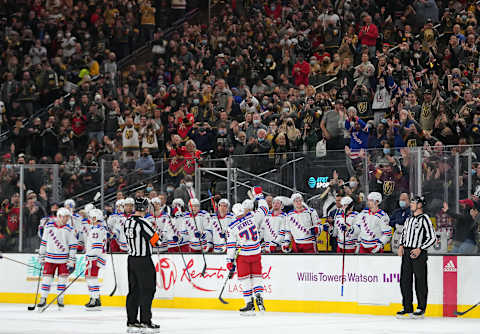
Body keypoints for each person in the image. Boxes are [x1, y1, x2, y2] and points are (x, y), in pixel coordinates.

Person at [226, 190, 268, 315]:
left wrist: (229, 260)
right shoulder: (253, 216)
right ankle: (259, 297)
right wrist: (259, 197)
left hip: (243, 256)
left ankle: (249, 303)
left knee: (245, 280)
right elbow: (264, 209)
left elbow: (231, 246)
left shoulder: (232, 227)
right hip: (256, 253)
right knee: (257, 278)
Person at [123, 197, 160, 332]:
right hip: (143, 261)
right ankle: (145, 320)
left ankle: (131, 320)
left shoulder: (128, 222)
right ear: (144, 208)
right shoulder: (144, 223)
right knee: (148, 290)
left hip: (131, 260)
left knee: (134, 291)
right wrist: (158, 233)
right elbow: (157, 242)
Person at [397, 195, 436, 319]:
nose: (411, 204)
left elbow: (432, 237)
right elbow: (404, 233)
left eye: (414, 202)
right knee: (405, 280)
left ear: (420, 205)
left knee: (420, 281)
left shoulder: (424, 219)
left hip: (418, 253)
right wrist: (401, 245)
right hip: (407, 253)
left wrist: (421, 248)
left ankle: (421, 307)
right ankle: (407, 307)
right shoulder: (409, 219)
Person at [36, 208, 78, 310]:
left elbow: (73, 246)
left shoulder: (69, 229)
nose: (66, 219)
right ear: (59, 216)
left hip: (63, 259)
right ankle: (43, 298)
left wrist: (71, 260)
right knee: (46, 279)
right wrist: (41, 256)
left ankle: (60, 298)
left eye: (67, 217)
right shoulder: (49, 227)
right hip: (49, 259)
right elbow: (44, 242)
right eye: (64, 216)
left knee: (62, 280)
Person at [84, 209, 109, 310]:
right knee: (91, 278)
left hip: (94, 258)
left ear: (95, 218)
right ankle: (95, 298)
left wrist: (91, 258)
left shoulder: (96, 230)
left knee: (91, 278)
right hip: (96, 257)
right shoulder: (100, 228)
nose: (89, 219)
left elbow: (96, 246)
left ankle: (95, 299)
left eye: (91, 217)